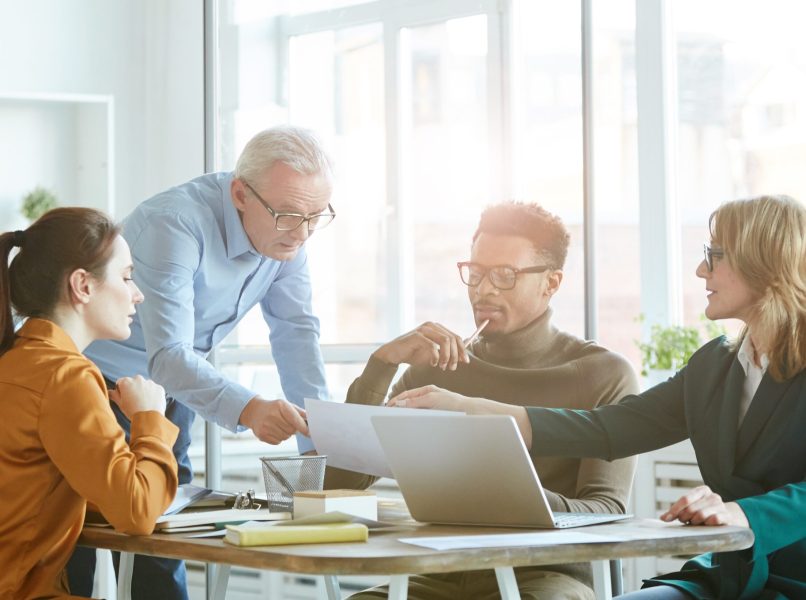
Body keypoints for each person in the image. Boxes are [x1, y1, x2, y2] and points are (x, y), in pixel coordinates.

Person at [391, 194, 806, 599]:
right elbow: (609, 429)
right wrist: (471, 409)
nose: (701, 269)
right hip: (732, 576)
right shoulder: (714, 366)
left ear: (763, 264)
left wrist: (745, 513)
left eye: (715, 255)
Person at [67, 125, 336, 599]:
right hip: (96, 385)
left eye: (316, 217)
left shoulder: (288, 236)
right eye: (289, 215)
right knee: (89, 540)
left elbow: (296, 334)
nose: (302, 232)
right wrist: (251, 409)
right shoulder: (175, 222)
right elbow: (169, 353)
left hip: (172, 389)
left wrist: (318, 442)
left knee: (165, 533)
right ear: (240, 194)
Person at [328, 202, 639, 600]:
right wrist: (381, 365)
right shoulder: (435, 366)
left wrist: (503, 490)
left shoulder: (603, 374)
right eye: (475, 272)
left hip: (543, 577)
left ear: (551, 282)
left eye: (505, 275)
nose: (483, 289)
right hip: (435, 571)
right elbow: (337, 486)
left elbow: (608, 512)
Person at [0, 208, 179, 600]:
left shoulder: (15, 360)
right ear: (82, 285)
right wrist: (149, 417)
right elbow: (136, 512)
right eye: (127, 276)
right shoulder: (65, 375)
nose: (138, 294)